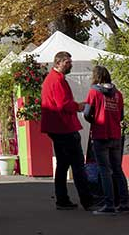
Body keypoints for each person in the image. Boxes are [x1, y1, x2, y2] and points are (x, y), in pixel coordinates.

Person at [41, 51, 94, 211]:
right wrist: (79, 106)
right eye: (67, 62)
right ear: (58, 63)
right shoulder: (56, 80)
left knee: (63, 165)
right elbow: (63, 104)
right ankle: (87, 200)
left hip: (57, 127)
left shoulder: (52, 79)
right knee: (78, 165)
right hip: (64, 127)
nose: (70, 65)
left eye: (70, 62)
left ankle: (62, 199)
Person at [84, 66, 129, 215]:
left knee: (104, 170)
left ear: (96, 77)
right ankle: (124, 204)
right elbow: (121, 116)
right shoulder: (118, 94)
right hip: (116, 135)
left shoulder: (93, 92)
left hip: (100, 134)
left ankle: (109, 205)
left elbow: (86, 113)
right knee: (117, 170)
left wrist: (94, 120)